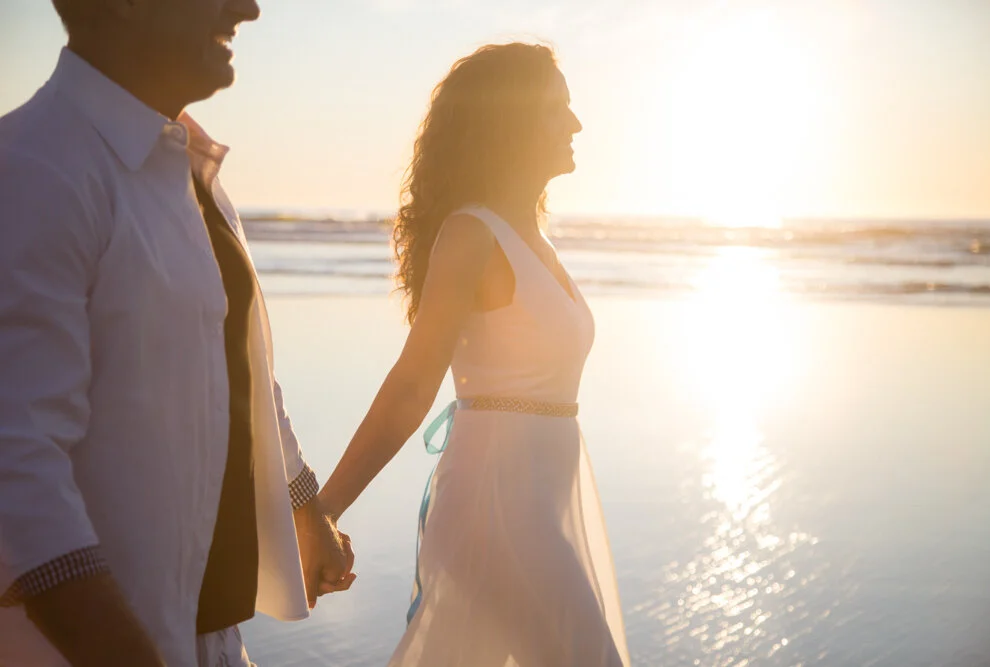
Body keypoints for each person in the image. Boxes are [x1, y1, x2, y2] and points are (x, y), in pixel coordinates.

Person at [0, 1, 355, 665]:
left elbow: (243, 375)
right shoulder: (33, 168)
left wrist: (305, 503)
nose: (247, 9)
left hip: (208, 630)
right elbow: (15, 461)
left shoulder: (192, 169)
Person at [317, 43, 630, 666]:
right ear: (509, 122)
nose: (576, 124)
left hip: (542, 505)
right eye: (557, 109)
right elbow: (412, 385)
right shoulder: (472, 233)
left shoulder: (529, 234)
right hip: (497, 507)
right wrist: (320, 513)